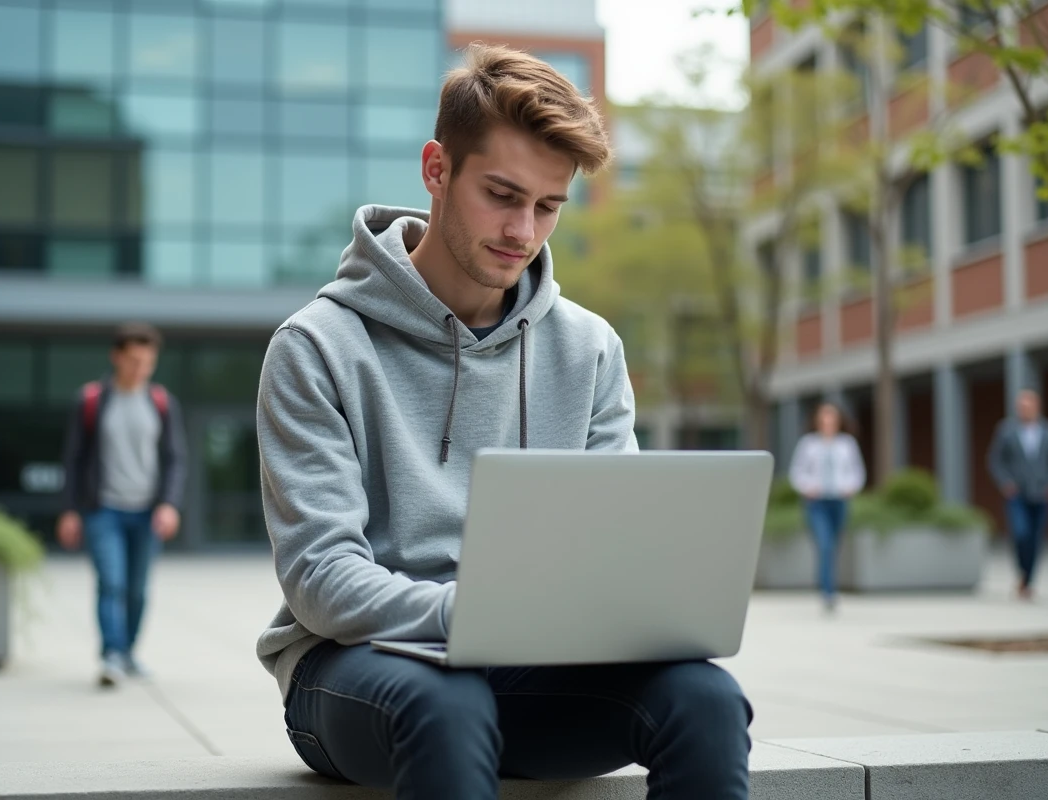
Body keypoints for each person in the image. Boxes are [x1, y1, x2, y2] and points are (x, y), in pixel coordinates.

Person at [255, 45, 752, 799]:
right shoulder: (317, 347)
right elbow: (322, 578)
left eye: (548, 206)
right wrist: (476, 615)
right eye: (502, 194)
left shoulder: (587, 349)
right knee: (449, 702)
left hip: (533, 670)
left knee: (707, 700)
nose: (524, 230)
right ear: (437, 170)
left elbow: (617, 550)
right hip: (355, 670)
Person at [57, 322, 187, 687]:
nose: (140, 369)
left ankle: (128, 652)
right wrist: (69, 509)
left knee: (138, 589)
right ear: (116, 357)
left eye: (147, 362)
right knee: (111, 582)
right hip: (103, 509)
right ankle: (112, 654)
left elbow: (175, 458)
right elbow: (74, 458)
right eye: (133, 360)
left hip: (148, 512)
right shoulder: (92, 401)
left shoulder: (161, 403)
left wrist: (169, 504)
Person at [987, 389, 1048, 600]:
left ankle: (1028, 580)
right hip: (1017, 495)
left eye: (1029, 406)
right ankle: (1023, 573)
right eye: (1021, 406)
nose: (1025, 410)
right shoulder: (1006, 430)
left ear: (1037, 407)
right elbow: (995, 460)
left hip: (1042, 494)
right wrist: (1005, 483)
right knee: (1021, 534)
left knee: (1036, 537)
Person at [788, 402, 866, 611]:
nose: (828, 422)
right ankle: (828, 593)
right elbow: (796, 472)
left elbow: (857, 471)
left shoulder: (847, 443)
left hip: (839, 501)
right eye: (824, 417)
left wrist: (851, 487)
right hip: (817, 502)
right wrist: (806, 487)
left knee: (834, 546)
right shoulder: (808, 443)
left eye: (832, 418)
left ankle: (826, 584)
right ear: (818, 420)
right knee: (825, 545)